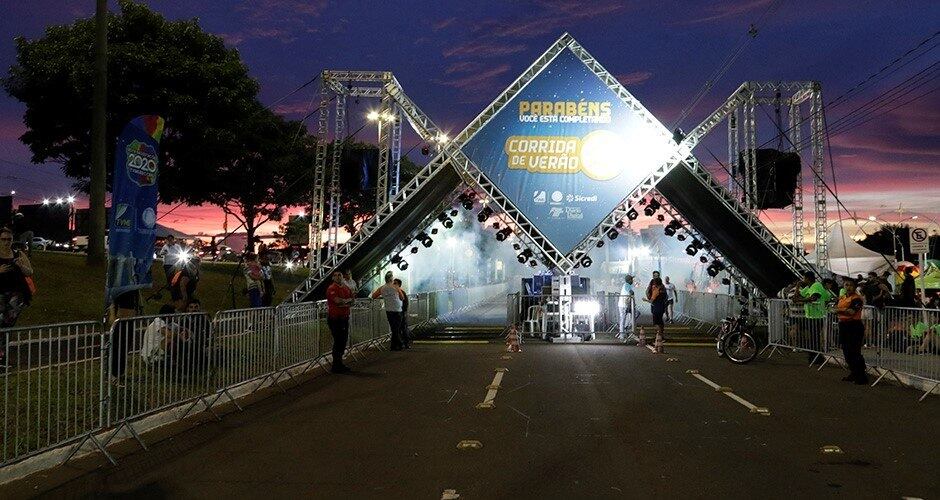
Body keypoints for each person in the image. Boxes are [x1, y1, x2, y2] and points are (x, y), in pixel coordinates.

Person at [0, 227, 34, 367]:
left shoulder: (18, 254)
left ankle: (2, 355)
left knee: (6, 322)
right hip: (1, 293)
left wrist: (21, 266)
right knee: (1, 322)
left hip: (17, 294)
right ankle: (2, 355)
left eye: (9, 239)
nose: (6, 242)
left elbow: (29, 272)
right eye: (3, 239)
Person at [791, 271, 831, 363]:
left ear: (807, 278)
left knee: (814, 337)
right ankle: (815, 356)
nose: (803, 280)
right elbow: (796, 297)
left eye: (804, 278)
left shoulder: (817, 285)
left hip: (817, 316)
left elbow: (813, 298)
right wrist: (797, 287)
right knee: (813, 337)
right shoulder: (808, 287)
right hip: (810, 316)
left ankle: (817, 357)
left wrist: (799, 300)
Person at [834, 278, 868, 384]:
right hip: (843, 325)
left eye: (850, 285)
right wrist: (841, 310)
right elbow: (836, 308)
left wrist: (838, 310)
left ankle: (861, 376)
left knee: (855, 352)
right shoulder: (842, 297)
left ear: (854, 287)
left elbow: (851, 312)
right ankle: (854, 373)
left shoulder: (857, 299)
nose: (848, 287)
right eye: (846, 285)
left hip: (854, 326)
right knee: (846, 351)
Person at [326, 270, 354, 373]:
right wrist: (347, 301)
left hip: (344, 317)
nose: (338, 277)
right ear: (333, 278)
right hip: (335, 318)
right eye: (335, 275)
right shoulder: (332, 288)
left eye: (340, 275)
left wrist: (344, 302)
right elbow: (337, 301)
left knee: (343, 340)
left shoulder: (346, 288)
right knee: (338, 340)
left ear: (343, 277)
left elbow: (353, 301)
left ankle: (339, 363)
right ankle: (336, 365)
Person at [372, 271, 406, 350]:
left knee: (393, 328)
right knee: (396, 329)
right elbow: (402, 297)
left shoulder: (382, 288)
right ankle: (399, 344)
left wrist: (384, 297)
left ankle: (393, 346)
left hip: (388, 310)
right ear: (392, 279)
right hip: (397, 310)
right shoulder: (396, 287)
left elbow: (374, 296)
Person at [644, 276, 668, 353]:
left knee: (656, 322)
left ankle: (659, 335)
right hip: (662, 307)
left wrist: (645, 300)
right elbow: (665, 298)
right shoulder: (663, 289)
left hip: (656, 307)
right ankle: (661, 335)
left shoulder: (656, 290)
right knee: (660, 321)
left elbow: (651, 300)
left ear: (655, 283)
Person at [617, 275, 639, 343]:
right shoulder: (626, 285)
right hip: (623, 305)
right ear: (629, 280)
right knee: (623, 319)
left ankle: (626, 328)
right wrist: (632, 295)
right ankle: (622, 334)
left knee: (636, 313)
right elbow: (631, 292)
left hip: (626, 305)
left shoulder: (627, 285)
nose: (632, 280)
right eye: (632, 279)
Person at [393, 278, 411, 349]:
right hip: (397, 313)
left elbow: (405, 303)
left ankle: (406, 343)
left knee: (403, 328)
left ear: (399, 285)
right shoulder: (395, 292)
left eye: (395, 283)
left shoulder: (401, 292)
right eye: (393, 283)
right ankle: (400, 343)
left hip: (401, 313)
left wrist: (404, 312)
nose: (394, 285)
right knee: (398, 329)